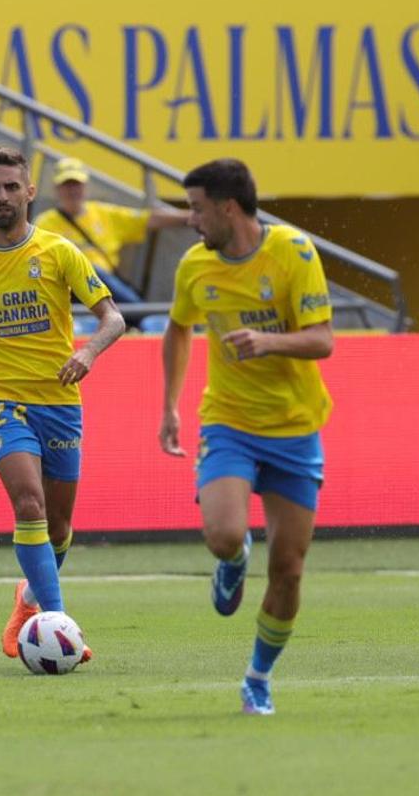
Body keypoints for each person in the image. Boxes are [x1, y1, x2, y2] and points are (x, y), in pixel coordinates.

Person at [153, 159, 335, 717]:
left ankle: (258, 676)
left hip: (295, 428)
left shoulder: (294, 254)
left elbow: (323, 340)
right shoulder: (194, 267)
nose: (190, 219)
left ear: (228, 208)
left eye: (197, 208)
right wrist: (169, 408)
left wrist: (268, 341)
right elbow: (178, 329)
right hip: (228, 421)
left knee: (290, 569)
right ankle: (232, 561)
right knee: (224, 535)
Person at [0, 147, 124, 663]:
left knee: (60, 528)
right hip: (1, 398)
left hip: (60, 400)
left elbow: (112, 318)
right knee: (29, 506)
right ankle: (63, 627)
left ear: (29, 193)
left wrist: (88, 352)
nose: (0, 196)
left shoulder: (60, 252)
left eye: (10, 187)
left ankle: (27, 602)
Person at [35, 158, 186, 304]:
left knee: (94, 274)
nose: (72, 190)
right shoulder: (44, 222)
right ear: (56, 189)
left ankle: (142, 314)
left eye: (76, 184)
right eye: (67, 185)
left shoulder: (103, 213)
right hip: (68, 288)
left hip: (104, 287)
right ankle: (140, 311)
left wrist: (192, 217)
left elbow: (148, 219)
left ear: (85, 187)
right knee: (84, 268)